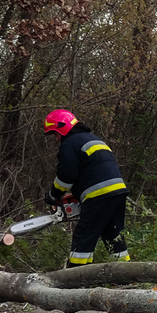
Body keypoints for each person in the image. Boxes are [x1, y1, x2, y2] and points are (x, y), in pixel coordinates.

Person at [43, 109, 131, 267]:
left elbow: (66, 176)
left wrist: (53, 194)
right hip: (118, 191)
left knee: (84, 235)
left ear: (62, 128)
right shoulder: (93, 139)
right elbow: (94, 171)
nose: (56, 139)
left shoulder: (69, 144)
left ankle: (76, 276)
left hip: (99, 195)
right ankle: (124, 273)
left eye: (55, 134)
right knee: (113, 234)